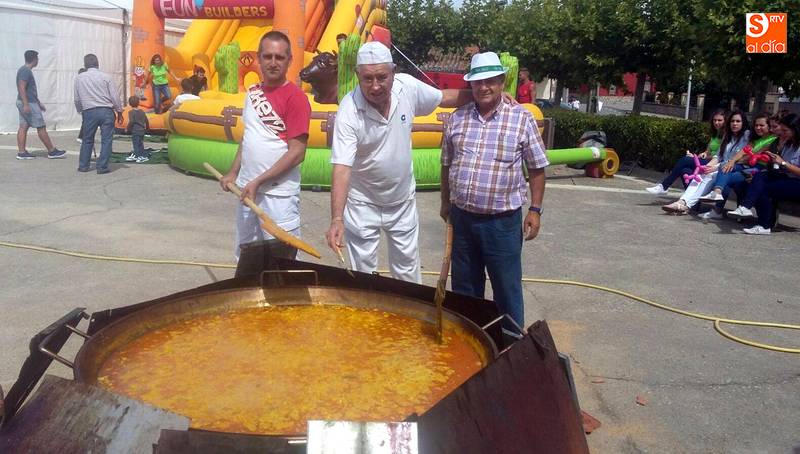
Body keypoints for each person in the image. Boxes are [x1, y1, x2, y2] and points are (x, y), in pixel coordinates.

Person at [324, 42, 494, 283]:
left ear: (393, 73)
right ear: (357, 76)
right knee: (363, 276)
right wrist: (337, 219)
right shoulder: (349, 111)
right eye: (368, 79)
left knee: (407, 273)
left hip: (401, 202)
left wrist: (488, 98)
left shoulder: (407, 87)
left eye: (382, 77)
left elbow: (444, 98)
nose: (375, 86)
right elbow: (341, 167)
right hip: (363, 204)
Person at [440, 52, 548, 329]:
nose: (484, 87)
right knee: (465, 289)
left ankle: (511, 348)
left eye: (490, 81)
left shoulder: (521, 119)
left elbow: (537, 169)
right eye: (478, 82)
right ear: (471, 86)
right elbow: (446, 164)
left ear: (501, 82)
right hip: (463, 220)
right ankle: (471, 342)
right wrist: (445, 203)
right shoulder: (458, 119)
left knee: (506, 289)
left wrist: (535, 210)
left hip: (502, 223)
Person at [219, 31, 311, 260]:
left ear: (289, 60)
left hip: (278, 195)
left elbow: (297, 152)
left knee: (282, 260)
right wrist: (232, 173)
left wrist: (259, 181)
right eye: (267, 56)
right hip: (246, 191)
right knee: (247, 257)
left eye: (279, 57)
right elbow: (248, 137)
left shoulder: (296, 98)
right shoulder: (253, 93)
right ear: (258, 58)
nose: (272, 63)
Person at [662, 109, 750, 214]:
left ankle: (685, 205)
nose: (734, 124)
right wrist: (706, 167)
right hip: (720, 165)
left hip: (731, 168)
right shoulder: (727, 136)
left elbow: (742, 159)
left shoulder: (747, 135)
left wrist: (715, 167)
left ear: (743, 123)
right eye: (732, 121)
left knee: (708, 177)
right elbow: (718, 155)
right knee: (700, 175)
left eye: (738, 121)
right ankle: (682, 202)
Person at [726, 113, 800, 234]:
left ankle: (763, 223)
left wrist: (783, 163)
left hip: (796, 183)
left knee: (763, 188)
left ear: (795, 129)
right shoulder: (788, 143)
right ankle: (747, 210)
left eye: (785, 130)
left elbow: (785, 165)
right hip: (785, 177)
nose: (782, 133)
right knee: (757, 179)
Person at [698, 113, 776, 219]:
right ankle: (717, 198)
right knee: (726, 167)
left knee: (728, 179)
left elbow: (755, 155)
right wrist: (732, 161)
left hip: (759, 169)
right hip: (747, 166)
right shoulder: (755, 139)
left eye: (762, 125)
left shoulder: (773, 139)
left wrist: (738, 161)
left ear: (769, 126)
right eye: (756, 125)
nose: (758, 128)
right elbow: (744, 151)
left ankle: (719, 205)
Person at [646, 109, 726, 195]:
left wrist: (705, 157)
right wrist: (704, 154)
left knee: (685, 160)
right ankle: (690, 197)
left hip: (715, 164)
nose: (716, 123)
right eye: (714, 120)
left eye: (719, 120)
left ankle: (664, 186)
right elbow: (708, 151)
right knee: (685, 170)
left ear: (725, 121)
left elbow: (719, 155)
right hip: (707, 160)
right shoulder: (715, 134)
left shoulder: (726, 135)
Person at [74, 54, 123, 174]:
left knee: (87, 139)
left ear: (85, 65)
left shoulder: (79, 78)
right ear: (97, 63)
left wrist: (80, 110)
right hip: (106, 111)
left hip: (89, 111)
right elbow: (114, 96)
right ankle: (102, 167)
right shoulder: (106, 77)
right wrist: (119, 111)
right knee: (106, 140)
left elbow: (77, 98)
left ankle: (83, 165)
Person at [15, 50, 66, 160]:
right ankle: (52, 151)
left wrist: (38, 102)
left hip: (28, 101)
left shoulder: (24, 70)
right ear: (34, 59)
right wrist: (26, 104)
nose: (38, 61)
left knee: (23, 126)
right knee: (41, 126)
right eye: (37, 59)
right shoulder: (25, 71)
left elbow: (29, 90)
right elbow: (21, 87)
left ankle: (22, 152)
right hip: (28, 103)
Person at [125, 96, 150, 164]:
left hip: (135, 131)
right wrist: (147, 128)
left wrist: (127, 129)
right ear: (138, 103)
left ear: (130, 104)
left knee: (136, 144)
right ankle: (141, 155)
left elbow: (131, 121)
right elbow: (146, 120)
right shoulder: (142, 111)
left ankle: (138, 156)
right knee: (140, 143)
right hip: (142, 130)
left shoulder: (131, 112)